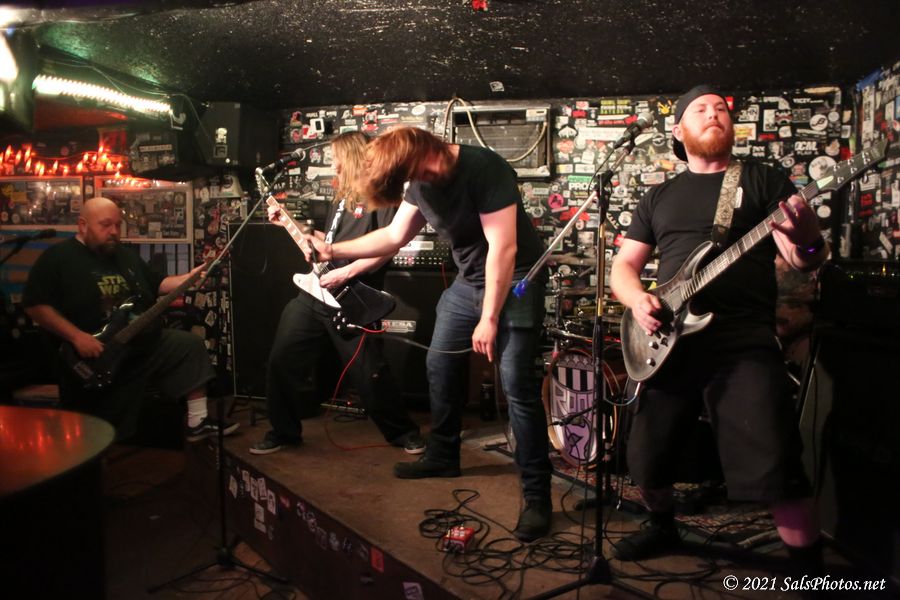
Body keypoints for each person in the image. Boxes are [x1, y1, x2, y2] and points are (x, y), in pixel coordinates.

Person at [609, 85, 828, 568]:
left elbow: (803, 259)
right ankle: (663, 526)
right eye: (700, 109)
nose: (714, 114)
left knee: (777, 466)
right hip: (668, 340)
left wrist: (807, 236)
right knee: (646, 457)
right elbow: (623, 267)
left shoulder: (763, 179)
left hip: (742, 340)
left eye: (721, 109)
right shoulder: (658, 196)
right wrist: (638, 299)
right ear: (678, 129)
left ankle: (811, 573)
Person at [304, 126, 553, 542]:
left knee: (517, 387)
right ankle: (443, 455)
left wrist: (489, 317)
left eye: (411, 174)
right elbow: (393, 236)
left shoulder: (485, 168)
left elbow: (504, 249)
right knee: (439, 364)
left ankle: (537, 496)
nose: (413, 183)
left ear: (421, 153)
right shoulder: (418, 182)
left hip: (516, 281)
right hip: (468, 283)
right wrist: (334, 251)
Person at [250, 131, 424, 455]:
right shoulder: (341, 199)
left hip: (352, 298)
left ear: (354, 157)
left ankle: (403, 432)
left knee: (370, 373)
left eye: (338, 159)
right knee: (282, 360)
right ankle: (284, 432)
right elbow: (328, 244)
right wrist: (289, 223)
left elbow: (388, 246)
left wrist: (347, 272)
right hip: (313, 294)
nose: (334, 166)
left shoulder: (383, 198)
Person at [23, 196, 237, 442]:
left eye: (118, 225)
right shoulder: (58, 258)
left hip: (135, 343)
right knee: (94, 434)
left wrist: (189, 278)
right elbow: (35, 306)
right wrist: (77, 336)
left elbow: (158, 284)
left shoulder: (124, 256)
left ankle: (197, 422)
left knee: (187, 346)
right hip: (93, 355)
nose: (114, 231)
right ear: (83, 225)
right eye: (105, 225)